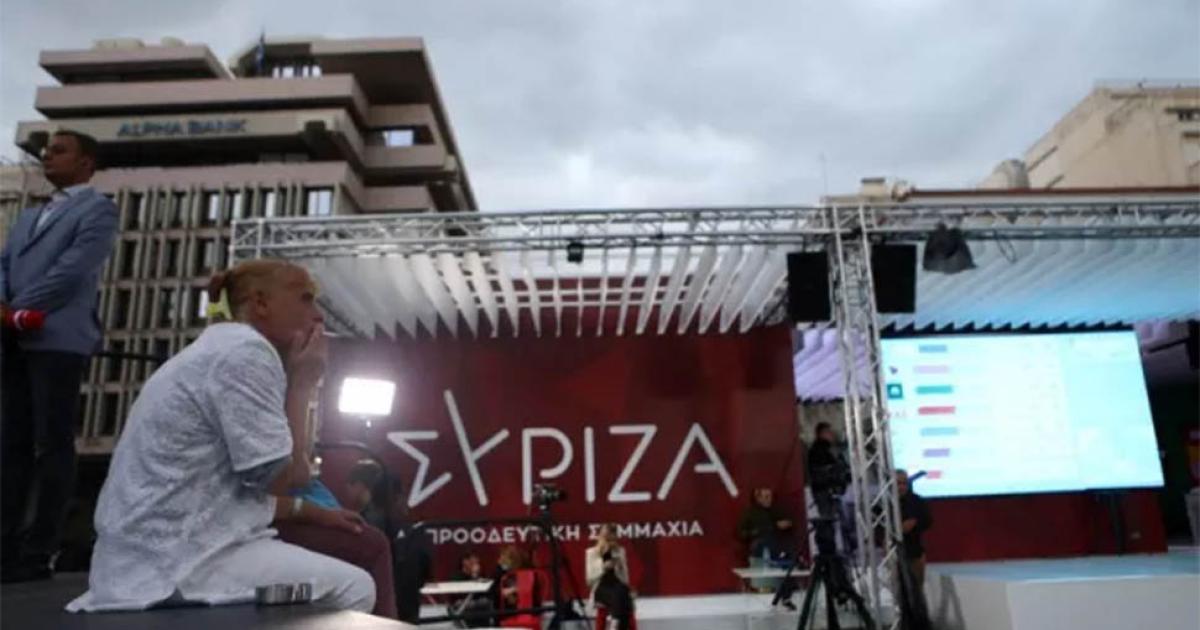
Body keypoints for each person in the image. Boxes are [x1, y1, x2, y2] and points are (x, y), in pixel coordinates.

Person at [66, 259, 375, 613]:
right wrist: (304, 382)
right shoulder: (246, 352)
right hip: (177, 563)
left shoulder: (220, 347)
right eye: (305, 299)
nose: (318, 315)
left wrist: (314, 513)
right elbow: (284, 479)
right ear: (260, 303)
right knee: (356, 588)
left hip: (145, 558)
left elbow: (257, 487)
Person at [0, 130, 119, 583]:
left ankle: (38, 550)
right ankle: (4, 547)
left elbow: (73, 270)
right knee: (10, 444)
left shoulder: (98, 210)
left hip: (56, 337)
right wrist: (5, 309)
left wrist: (17, 309)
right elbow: (4, 263)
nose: (47, 155)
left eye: (59, 150)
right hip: (14, 337)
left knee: (52, 444)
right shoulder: (29, 216)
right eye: (46, 150)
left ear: (86, 162)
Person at [736, 488, 796, 606]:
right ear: (758, 498)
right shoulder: (750, 513)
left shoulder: (777, 511)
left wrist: (786, 524)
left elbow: (789, 522)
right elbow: (741, 533)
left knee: (785, 570)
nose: (769, 499)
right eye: (766, 497)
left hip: (778, 550)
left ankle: (786, 597)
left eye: (770, 496)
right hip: (759, 552)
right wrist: (758, 532)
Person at [586, 524, 635, 630]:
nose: (607, 540)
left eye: (610, 536)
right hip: (601, 588)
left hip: (618, 587)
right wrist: (603, 567)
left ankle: (615, 622)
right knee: (621, 595)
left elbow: (625, 578)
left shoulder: (620, 551)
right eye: (605, 536)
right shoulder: (592, 553)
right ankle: (615, 623)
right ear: (600, 536)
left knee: (622, 592)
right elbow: (589, 579)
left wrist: (620, 566)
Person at [896, 469, 932, 603]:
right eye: (898, 483)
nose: (901, 487)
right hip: (893, 553)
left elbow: (928, 521)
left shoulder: (917, 501)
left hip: (915, 550)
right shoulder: (885, 502)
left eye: (904, 483)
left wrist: (915, 522)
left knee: (917, 589)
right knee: (898, 590)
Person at [449, 552, 492, 628]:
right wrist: (474, 576)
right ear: (465, 562)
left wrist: (476, 576)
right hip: (462, 604)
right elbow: (461, 594)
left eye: (477, 563)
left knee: (486, 602)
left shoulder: (480, 575)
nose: (476, 565)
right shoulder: (456, 576)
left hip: (477, 603)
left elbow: (484, 592)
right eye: (473, 562)